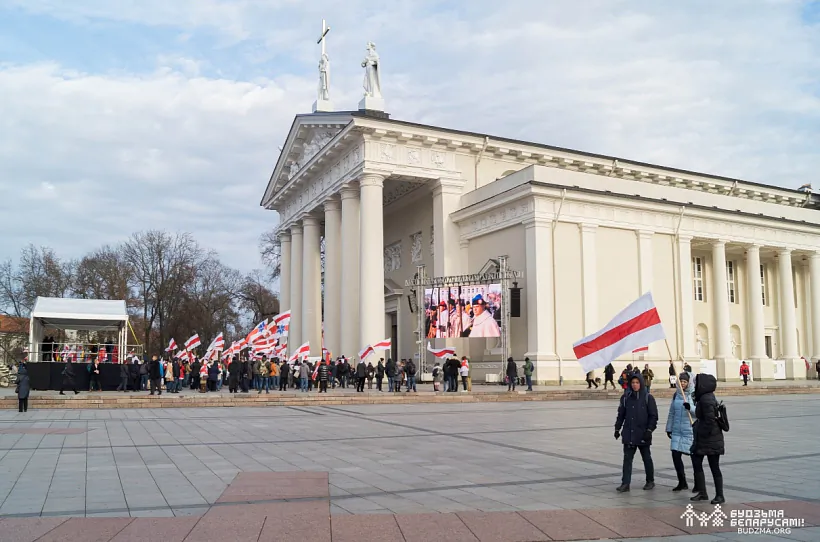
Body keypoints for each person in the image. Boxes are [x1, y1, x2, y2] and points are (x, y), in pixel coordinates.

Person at [614, 372, 658, 493]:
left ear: (641, 383)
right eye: (633, 383)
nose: (635, 385)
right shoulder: (625, 398)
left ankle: (650, 480)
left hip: (643, 433)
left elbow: (653, 416)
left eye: (637, 382)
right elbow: (621, 414)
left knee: (646, 458)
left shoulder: (648, 398)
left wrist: (649, 430)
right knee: (627, 459)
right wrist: (617, 428)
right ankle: (625, 483)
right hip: (629, 433)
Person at [690, 373, 726, 504]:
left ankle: (718, 495)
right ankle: (703, 492)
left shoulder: (705, 399)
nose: (695, 386)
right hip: (710, 438)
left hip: (709, 439)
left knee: (712, 466)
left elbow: (710, 420)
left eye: (697, 383)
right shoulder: (706, 397)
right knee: (699, 462)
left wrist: (702, 433)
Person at [666, 373, 695, 492]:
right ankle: (682, 481)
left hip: (690, 431)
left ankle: (698, 483)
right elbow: (672, 413)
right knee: (675, 455)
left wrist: (690, 408)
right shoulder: (676, 395)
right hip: (677, 431)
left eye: (685, 381)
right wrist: (669, 428)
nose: (683, 383)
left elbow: (699, 412)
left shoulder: (693, 395)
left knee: (695, 459)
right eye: (681, 381)